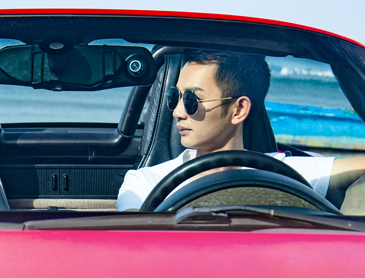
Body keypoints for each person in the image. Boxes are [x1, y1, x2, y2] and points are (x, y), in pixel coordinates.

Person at [116, 51, 365, 212]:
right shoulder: (145, 182)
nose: (177, 112)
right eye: (174, 97)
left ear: (239, 109)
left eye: (191, 99)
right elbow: (132, 247)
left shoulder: (282, 172)